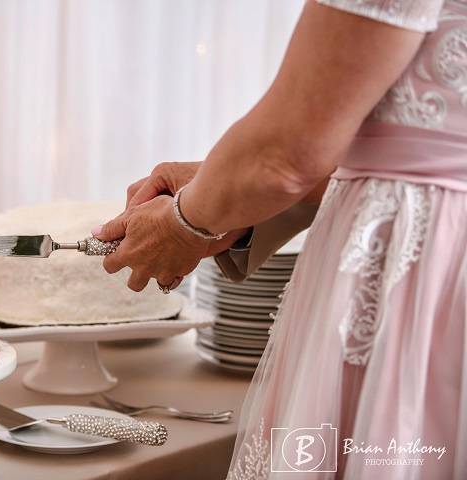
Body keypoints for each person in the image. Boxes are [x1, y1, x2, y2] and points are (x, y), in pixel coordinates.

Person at [94, 0, 466, 477]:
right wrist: (221, 188)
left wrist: (184, 222)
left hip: (418, 285)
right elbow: (408, 156)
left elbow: (286, 155)